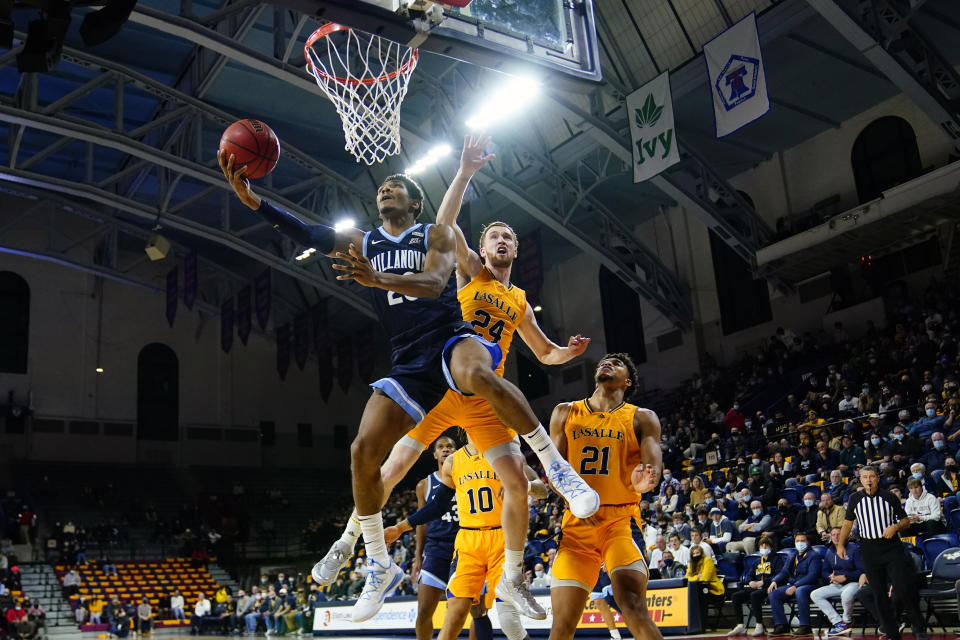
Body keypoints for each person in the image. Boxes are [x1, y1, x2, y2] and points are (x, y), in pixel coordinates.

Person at [227, 136, 598, 623]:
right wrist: (257, 202)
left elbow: (433, 285)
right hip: (408, 360)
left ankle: (552, 479)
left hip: (451, 342)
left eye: (397, 185)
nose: (386, 188)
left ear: (415, 203)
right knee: (366, 453)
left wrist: (377, 280)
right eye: (382, 185)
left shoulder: (437, 237)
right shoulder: (369, 242)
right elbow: (312, 233)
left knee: (479, 376)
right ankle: (375, 559)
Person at [546, 353, 665, 640]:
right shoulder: (565, 411)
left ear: (628, 381)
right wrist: (575, 498)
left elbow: (653, 470)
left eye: (617, 362)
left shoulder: (642, 417)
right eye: (604, 361)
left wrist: (643, 483)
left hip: (620, 522)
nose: (606, 362)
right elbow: (553, 472)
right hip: (576, 525)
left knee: (631, 603)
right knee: (562, 624)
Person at [386, 433, 545, 640]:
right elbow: (438, 505)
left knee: (509, 622)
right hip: (468, 542)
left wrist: (527, 486)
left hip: (503, 539)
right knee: (455, 614)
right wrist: (400, 527)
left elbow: (542, 490)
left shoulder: (508, 453)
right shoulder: (454, 461)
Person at [836, 465, 928, 640]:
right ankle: (892, 633)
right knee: (878, 594)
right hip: (869, 549)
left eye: (872, 476)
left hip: (891, 547)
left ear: (877, 478)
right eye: (865, 477)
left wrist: (895, 526)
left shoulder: (889, 497)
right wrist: (841, 545)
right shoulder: (855, 498)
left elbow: (906, 521)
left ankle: (918, 626)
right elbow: (848, 523)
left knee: (904, 587)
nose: (869, 480)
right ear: (860, 480)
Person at [396, 435, 460, 640]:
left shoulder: (467, 477)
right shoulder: (424, 484)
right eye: (440, 447)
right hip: (436, 549)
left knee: (467, 612)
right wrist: (418, 556)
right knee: (424, 611)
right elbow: (421, 523)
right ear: (434, 454)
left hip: (464, 548)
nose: (445, 449)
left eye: (450, 446)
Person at [766, 532, 822, 636]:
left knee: (800, 591)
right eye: (797, 541)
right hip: (794, 584)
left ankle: (805, 626)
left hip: (811, 585)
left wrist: (796, 586)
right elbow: (784, 571)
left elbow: (812, 575)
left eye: (802, 541)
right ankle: (782, 625)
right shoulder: (792, 555)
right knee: (774, 594)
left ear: (808, 543)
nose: (800, 543)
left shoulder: (814, 556)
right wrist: (774, 581)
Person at [810, 527, 863, 636]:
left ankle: (847, 621)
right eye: (833, 534)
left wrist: (846, 577)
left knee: (846, 595)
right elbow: (824, 570)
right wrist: (830, 577)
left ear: (845, 535)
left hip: (854, 582)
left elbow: (862, 571)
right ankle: (838, 622)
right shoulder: (830, 551)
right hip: (837, 584)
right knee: (815, 594)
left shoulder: (854, 549)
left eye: (839, 534)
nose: (836, 537)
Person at [727, 536, 783, 637]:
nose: (764, 547)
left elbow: (779, 575)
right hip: (755, 587)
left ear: (771, 547)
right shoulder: (757, 562)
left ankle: (759, 625)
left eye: (766, 546)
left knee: (754, 595)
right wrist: (750, 582)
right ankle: (740, 625)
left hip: (768, 588)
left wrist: (763, 582)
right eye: (762, 546)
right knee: (735, 596)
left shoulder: (777, 560)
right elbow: (749, 575)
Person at [686, 545, 724, 628]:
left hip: (714, 590)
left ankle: (702, 625)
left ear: (702, 553)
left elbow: (705, 578)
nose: (696, 555)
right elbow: (686, 578)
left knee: (699, 597)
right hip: (698, 590)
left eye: (697, 553)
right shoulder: (691, 564)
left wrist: (694, 578)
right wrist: (697, 577)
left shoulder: (708, 561)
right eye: (694, 554)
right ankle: (692, 624)